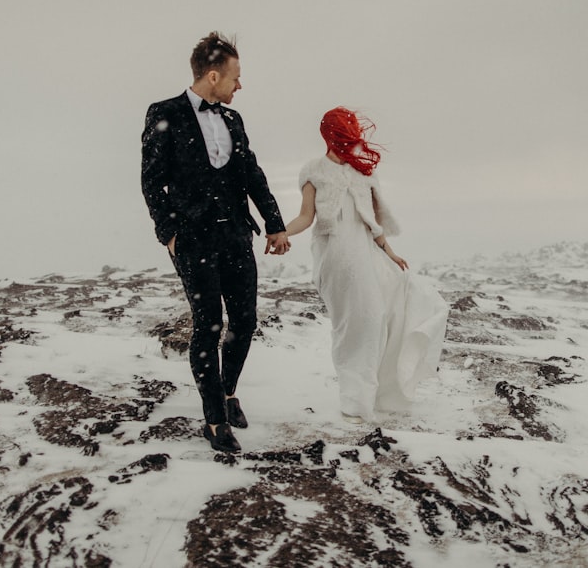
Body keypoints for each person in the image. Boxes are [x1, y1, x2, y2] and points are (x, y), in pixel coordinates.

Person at [141, 32, 289, 452]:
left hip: (236, 235)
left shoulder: (233, 120)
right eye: (235, 77)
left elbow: (252, 175)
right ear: (212, 75)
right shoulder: (163, 113)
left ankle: (227, 392)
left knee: (244, 322)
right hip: (192, 240)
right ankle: (213, 419)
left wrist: (274, 223)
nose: (239, 85)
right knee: (207, 326)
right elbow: (151, 181)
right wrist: (168, 234)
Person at [284, 107, 449, 423]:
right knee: (354, 325)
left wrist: (390, 251)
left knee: (388, 312)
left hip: (367, 254)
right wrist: (280, 232)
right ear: (330, 136)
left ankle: (377, 394)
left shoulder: (364, 174)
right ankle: (355, 400)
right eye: (344, 134)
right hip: (335, 257)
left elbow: (374, 224)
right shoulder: (313, 171)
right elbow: (306, 217)